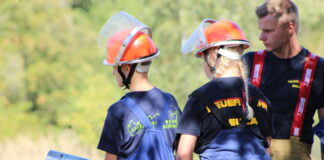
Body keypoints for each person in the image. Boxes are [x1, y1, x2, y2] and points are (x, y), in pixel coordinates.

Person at [176, 19, 273, 160]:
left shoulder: (199, 98)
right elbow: (268, 149)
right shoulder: (261, 98)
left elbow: (183, 155)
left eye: (204, 56)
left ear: (214, 53)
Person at [243, 1, 324, 159]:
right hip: (251, 153)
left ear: (290, 28)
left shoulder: (318, 68)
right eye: (261, 30)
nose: (261, 37)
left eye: (269, 31)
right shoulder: (249, 62)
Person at [97, 11, 181, 160]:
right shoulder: (171, 102)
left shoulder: (118, 112)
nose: (112, 73)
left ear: (126, 68)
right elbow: (182, 152)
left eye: (114, 67)